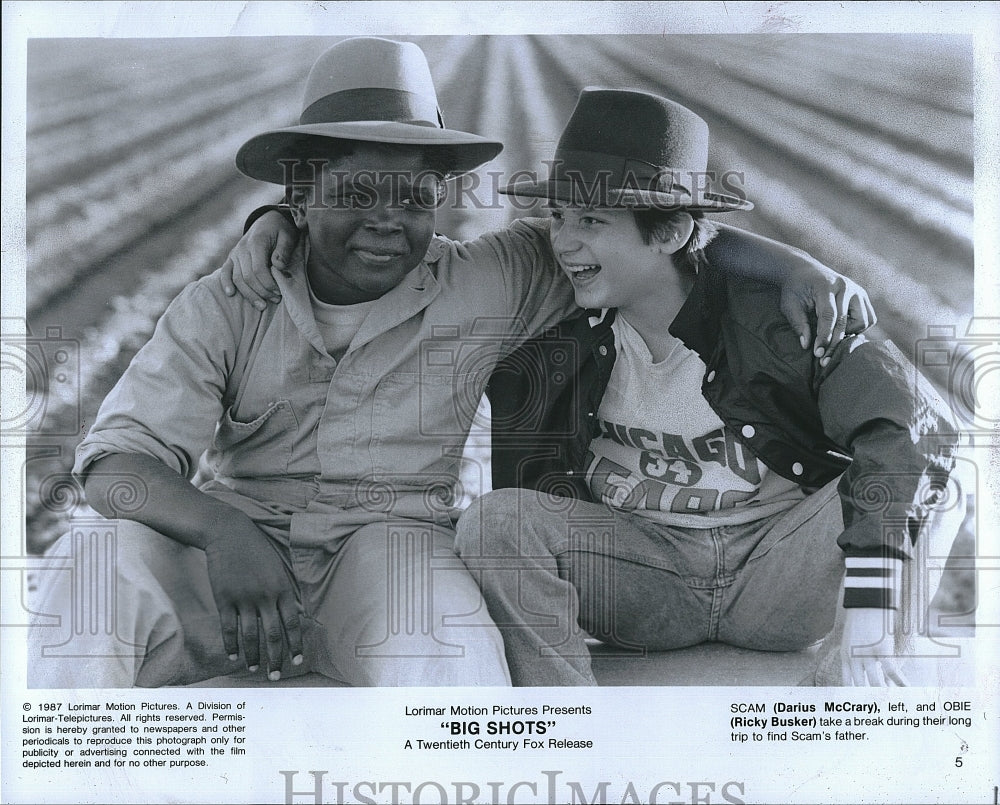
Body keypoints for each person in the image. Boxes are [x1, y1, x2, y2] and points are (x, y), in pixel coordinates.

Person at [29, 38, 872, 689]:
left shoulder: (491, 277)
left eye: (414, 195)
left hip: (387, 548)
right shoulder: (227, 300)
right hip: (234, 562)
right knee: (88, 568)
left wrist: (792, 266)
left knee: (453, 678)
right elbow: (113, 465)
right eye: (355, 193)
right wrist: (223, 529)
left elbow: (647, 229)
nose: (388, 220)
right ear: (301, 190)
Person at [450, 88, 963, 686]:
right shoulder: (547, 318)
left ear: (667, 235)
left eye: (591, 220)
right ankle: (562, 723)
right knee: (496, 520)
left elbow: (915, 429)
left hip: (777, 577)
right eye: (559, 217)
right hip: (641, 573)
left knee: (932, 478)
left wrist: (868, 616)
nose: (562, 242)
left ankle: (863, 678)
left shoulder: (784, 312)